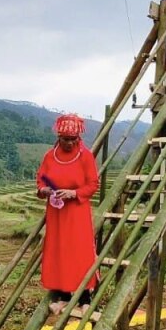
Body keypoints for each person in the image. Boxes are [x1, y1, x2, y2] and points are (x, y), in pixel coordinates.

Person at [37, 114, 100, 316]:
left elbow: (93, 184)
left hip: (77, 212)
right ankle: (63, 297)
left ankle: (85, 298)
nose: (70, 143)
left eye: (74, 140)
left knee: (80, 251)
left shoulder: (85, 156)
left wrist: (74, 193)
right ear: (59, 137)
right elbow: (40, 180)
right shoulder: (49, 156)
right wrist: (44, 190)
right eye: (66, 139)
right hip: (56, 213)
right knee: (59, 251)